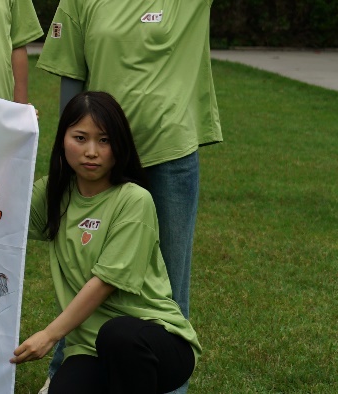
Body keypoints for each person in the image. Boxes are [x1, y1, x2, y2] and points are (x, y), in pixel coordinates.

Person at [35, 0, 338, 389]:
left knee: (168, 281)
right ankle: (66, 371)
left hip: (170, 156)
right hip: (103, 161)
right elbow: (73, 80)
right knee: (83, 266)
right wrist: (70, 150)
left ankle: (169, 382)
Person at [13, 91, 199, 394]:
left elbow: (104, 283)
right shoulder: (52, 193)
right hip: (89, 349)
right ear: (62, 140)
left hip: (155, 340)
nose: (91, 152)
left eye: (104, 140)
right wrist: (13, 134)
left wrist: (49, 335)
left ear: (119, 145)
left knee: (119, 335)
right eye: (80, 138)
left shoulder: (134, 200)